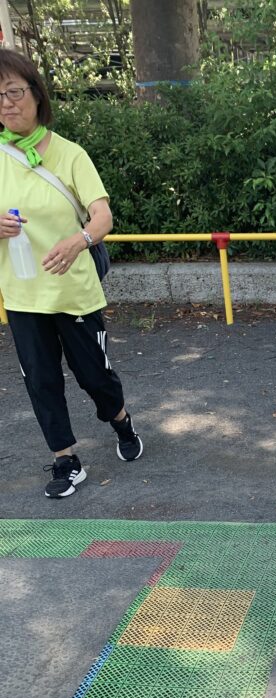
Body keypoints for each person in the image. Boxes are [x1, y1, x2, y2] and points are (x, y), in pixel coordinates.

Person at [0, 50, 142, 499]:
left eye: (14, 92)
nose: (6, 103)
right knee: (40, 381)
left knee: (94, 376)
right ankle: (65, 459)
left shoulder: (69, 154)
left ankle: (121, 420)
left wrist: (78, 240)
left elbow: (102, 217)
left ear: (37, 95)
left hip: (74, 291)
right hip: (23, 295)